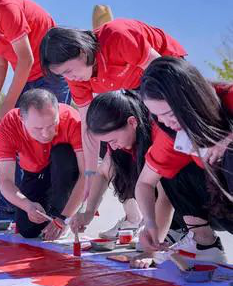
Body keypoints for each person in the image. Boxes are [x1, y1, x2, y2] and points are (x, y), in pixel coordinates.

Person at [39, 18, 187, 234]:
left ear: (81, 52)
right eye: (63, 75)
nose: (69, 78)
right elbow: (90, 128)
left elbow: (163, 73)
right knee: (118, 149)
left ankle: (175, 226)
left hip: (166, 80)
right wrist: (88, 175)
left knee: (157, 148)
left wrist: (175, 118)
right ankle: (137, 217)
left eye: (69, 71)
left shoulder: (117, 36)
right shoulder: (77, 78)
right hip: (132, 91)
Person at [77, 90, 229, 267]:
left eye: (112, 139)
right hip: (190, 208)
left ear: (132, 122)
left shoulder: (159, 133)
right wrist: (88, 212)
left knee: (166, 173)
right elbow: (103, 173)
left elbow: (165, 198)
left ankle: (201, 240)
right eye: (107, 142)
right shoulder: (122, 144)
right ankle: (176, 230)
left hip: (216, 204)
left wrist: (152, 249)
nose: (113, 146)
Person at [130, 57, 233, 266]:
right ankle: (205, 244)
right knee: (172, 172)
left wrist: (228, 139)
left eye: (169, 113)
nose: (166, 122)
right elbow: (144, 183)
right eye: (158, 116)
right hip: (223, 209)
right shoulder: (174, 134)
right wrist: (151, 226)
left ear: (190, 99)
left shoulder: (228, 97)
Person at [0, 88, 85, 240]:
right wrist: (27, 205)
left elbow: (87, 174)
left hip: (65, 168)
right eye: (37, 128)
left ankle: (65, 211)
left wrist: (63, 218)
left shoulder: (72, 119)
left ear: (58, 112)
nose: (45, 134)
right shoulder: (8, 126)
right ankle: (52, 209)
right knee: (27, 230)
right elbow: (5, 181)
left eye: (52, 125)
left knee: (62, 153)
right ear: (22, 119)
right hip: (35, 171)